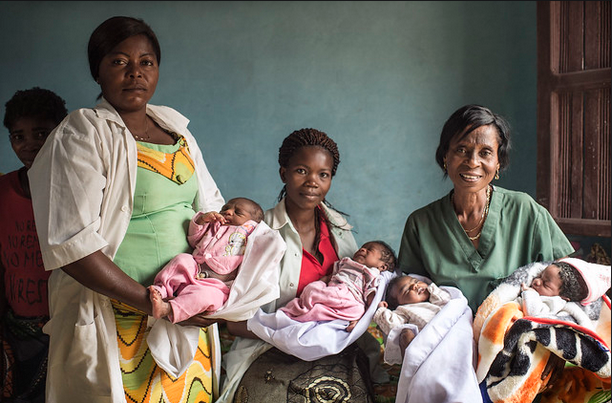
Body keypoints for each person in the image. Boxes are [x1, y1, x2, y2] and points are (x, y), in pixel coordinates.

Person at [28, 16, 224, 403]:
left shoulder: (178, 131)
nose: (135, 72)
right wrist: (153, 303)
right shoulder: (81, 133)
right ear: (97, 72)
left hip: (186, 312)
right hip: (119, 319)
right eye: (119, 61)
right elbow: (72, 247)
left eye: (146, 62)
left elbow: (213, 212)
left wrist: (212, 292)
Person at [220, 128, 381, 403]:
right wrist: (288, 335)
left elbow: (362, 293)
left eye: (323, 174)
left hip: (333, 348)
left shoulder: (341, 231)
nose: (312, 182)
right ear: (283, 173)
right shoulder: (257, 233)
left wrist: (359, 316)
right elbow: (232, 321)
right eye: (301, 171)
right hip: (269, 349)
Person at [398, 104, 575, 313]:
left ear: (498, 162)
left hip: (515, 328)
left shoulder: (525, 211)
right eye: (461, 150)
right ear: (445, 156)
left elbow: (569, 282)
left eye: (485, 152)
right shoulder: (421, 224)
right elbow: (408, 299)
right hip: (447, 330)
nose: (473, 162)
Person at [0, 87, 67, 403]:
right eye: (18, 136)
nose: (29, 144)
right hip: (18, 329)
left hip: (66, 325)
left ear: (61, 132)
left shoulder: (77, 190)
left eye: (41, 133)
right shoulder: (3, 190)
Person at [149, 197, 264, 322]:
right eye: (225, 208)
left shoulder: (249, 235)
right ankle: (161, 290)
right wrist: (202, 220)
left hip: (217, 286)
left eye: (238, 212)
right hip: (193, 269)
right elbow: (194, 239)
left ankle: (168, 308)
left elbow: (260, 253)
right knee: (182, 259)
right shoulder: (213, 225)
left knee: (207, 297)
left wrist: (258, 231)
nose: (228, 212)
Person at [280, 240, 396, 329]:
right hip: (334, 288)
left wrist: (363, 319)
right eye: (362, 247)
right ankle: (302, 310)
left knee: (358, 310)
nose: (362, 249)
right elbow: (331, 276)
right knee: (311, 289)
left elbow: (370, 296)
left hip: (351, 296)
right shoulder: (346, 262)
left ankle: (317, 313)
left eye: (369, 250)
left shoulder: (372, 273)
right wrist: (320, 283)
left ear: (382, 266)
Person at [517, 257, 611, 327]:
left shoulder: (556, 302)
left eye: (545, 284)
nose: (537, 281)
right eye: (540, 275)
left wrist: (530, 293)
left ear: (563, 297)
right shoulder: (550, 289)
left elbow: (533, 314)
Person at [373, 274, 451, 351]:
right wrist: (382, 311)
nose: (414, 286)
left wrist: (431, 289)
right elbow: (393, 325)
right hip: (432, 342)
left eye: (416, 281)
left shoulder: (434, 299)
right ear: (400, 303)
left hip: (449, 328)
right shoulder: (403, 310)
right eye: (407, 290)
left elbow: (446, 301)